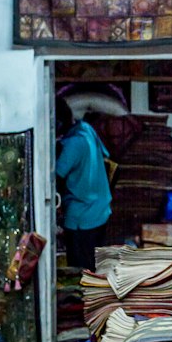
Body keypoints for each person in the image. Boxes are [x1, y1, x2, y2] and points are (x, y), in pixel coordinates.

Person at [55, 98, 111, 270]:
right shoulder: (86, 129)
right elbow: (105, 153)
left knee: (80, 270)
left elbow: (55, 176)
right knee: (94, 267)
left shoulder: (73, 144)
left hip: (82, 216)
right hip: (100, 210)